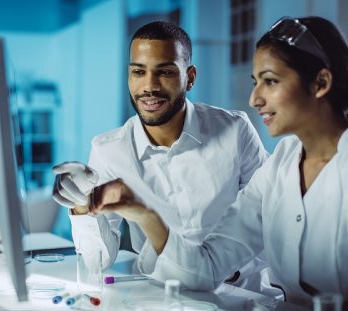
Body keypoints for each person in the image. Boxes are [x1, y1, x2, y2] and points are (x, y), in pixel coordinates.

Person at [89, 16, 348, 311]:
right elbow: (207, 268)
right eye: (255, 82)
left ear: (320, 83)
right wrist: (143, 213)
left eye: (270, 81)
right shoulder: (281, 165)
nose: (255, 99)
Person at [53, 21, 280, 296]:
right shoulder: (107, 150)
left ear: (190, 77)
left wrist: (223, 269)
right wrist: (80, 206)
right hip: (160, 297)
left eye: (165, 72)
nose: (149, 86)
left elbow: (272, 222)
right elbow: (96, 261)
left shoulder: (235, 130)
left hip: (240, 294)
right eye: (138, 72)